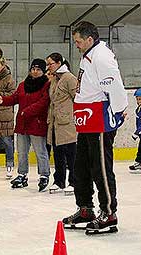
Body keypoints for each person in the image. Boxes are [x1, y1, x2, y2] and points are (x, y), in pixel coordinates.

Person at [62, 21, 128, 235]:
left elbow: (115, 86)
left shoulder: (102, 56)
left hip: (99, 117)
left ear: (90, 39)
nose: (77, 45)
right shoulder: (89, 54)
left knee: (100, 168)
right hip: (86, 118)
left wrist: (118, 111)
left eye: (79, 41)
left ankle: (109, 213)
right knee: (81, 166)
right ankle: (85, 209)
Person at [0, 58, 51, 192]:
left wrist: (26, 111)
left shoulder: (47, 85)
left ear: (43, 71)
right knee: (21, 152)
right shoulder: (23, 84)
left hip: (37, 124)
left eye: (38, 69)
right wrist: (2, 100)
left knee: (40, 152)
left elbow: (43, 103)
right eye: (33, 69)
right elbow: (15, 98)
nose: (35, 71)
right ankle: (22, 174)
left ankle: (44, 175)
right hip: (22, 125)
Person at [45, 53, 78, 195]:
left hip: (67, 122)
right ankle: (59, 180)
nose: (48, 67)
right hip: (55, 122)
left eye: (50, 64)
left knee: (71, 153)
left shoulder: (69, 78)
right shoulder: (54, 80)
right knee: (57, 153)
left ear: (59, 63)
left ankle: (74, 181)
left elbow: (77, 97)